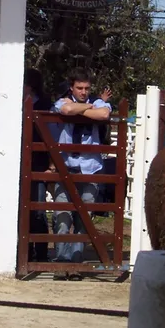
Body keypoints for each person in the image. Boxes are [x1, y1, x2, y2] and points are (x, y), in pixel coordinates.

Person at [51, 68, 112, 268]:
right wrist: (88, 109)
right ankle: (62, 261)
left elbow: (104, 114)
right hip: (66, 166)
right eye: (79, 88)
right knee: (62, 215)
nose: (83, 92)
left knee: (84, 216)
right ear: (72, 88)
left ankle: (76, 260)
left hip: (90, 168)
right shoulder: (64, 101)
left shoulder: (98, 102)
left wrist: (81, 108)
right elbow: (65, 110)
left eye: (86, 88)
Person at [23, 68, 53, 263]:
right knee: (21, 209)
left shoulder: (44, 104)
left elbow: (50, 135)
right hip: (21, 163)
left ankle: (41, 253)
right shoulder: (17, 103)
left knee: (39, 210)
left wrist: (51, 163)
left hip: (39, 163)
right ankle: (24, 251)